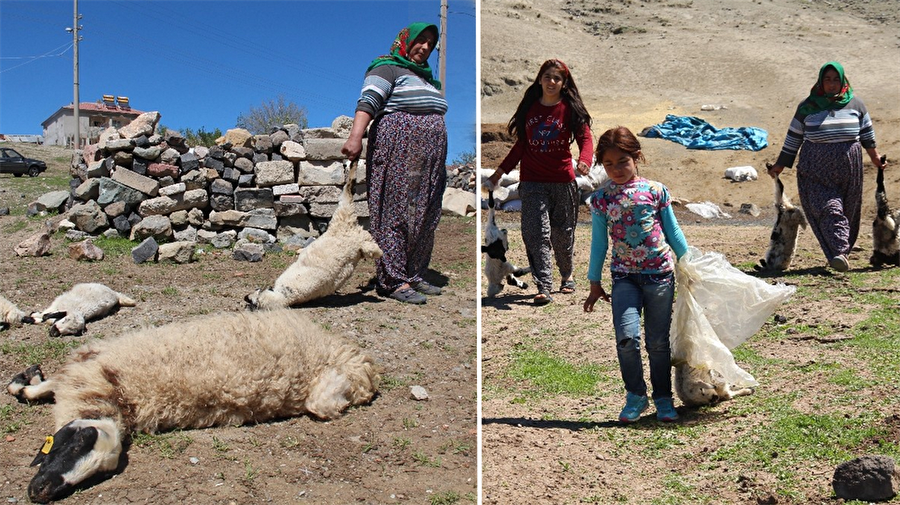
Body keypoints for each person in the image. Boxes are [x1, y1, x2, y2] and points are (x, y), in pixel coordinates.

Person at [583, 126, 689, 423]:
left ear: (636, 156)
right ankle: (636, 396)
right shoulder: (602, 199)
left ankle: (663, 399)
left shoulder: (656, 191)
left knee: (657, 342)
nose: (615, 169)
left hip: (659, 277)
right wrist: (594, 281)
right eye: (608, 164)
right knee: (626, 338)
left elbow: (673, 231)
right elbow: (599, 243)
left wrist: (689, 262)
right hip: (624, 278)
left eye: (622, 162)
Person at [341, 23, 448, 305]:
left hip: (430, 158)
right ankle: (392, 280)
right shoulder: (387, 68)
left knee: (425, 214)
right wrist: (355, 137)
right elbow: (369, 101)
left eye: (430, 44)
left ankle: (413, 273)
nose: (425, 47)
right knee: (395, 211)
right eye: (420, 40)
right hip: (397, 151)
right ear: (406, 41)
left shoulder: (426, 79)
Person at [486, 59, 593, 306]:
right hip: (532, 181)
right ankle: (544, 285)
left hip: (562, 181)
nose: (552, 81)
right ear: (540, 79)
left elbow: (585, 138)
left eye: (557, 78)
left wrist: (585, 160)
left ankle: (566, 274)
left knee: (562, 235)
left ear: (564, 84)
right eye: (547, 76)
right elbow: (521, 146)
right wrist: (499, 172)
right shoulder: (531, 109)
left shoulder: (569, 109)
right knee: (535, 234)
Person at [767, 61, 887, 272]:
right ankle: (840, 251)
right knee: (828, 209)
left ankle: (840, 253)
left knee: (848, 211)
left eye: (835, 80)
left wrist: (875, 157)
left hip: (850, 167)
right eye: (827, 80)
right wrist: (780, 165)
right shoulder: (807, 107)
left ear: (843, 81)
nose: (831, 84)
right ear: (821, 81)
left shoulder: (856, 105)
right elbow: (793, 138)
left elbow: (867, 134)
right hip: (815, 168)